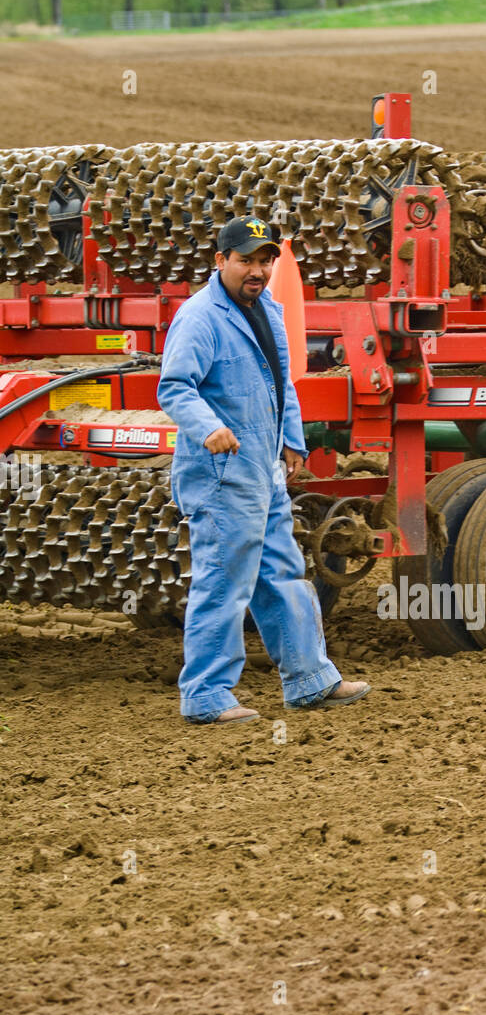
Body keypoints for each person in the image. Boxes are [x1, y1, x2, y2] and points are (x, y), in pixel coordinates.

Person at [156, 215, 370, 724]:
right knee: (224, 581)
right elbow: (175, 387)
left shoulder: (267, 310)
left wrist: (292, 440)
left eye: (264, 260)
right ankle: (206, 695)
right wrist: (208, 426)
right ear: (220, 261)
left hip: (265, 470)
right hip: (221, 472)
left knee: (283, 573)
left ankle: (310, 679)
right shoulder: (200, 317)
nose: (257, 269)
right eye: (246, 259)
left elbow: (283, 383)